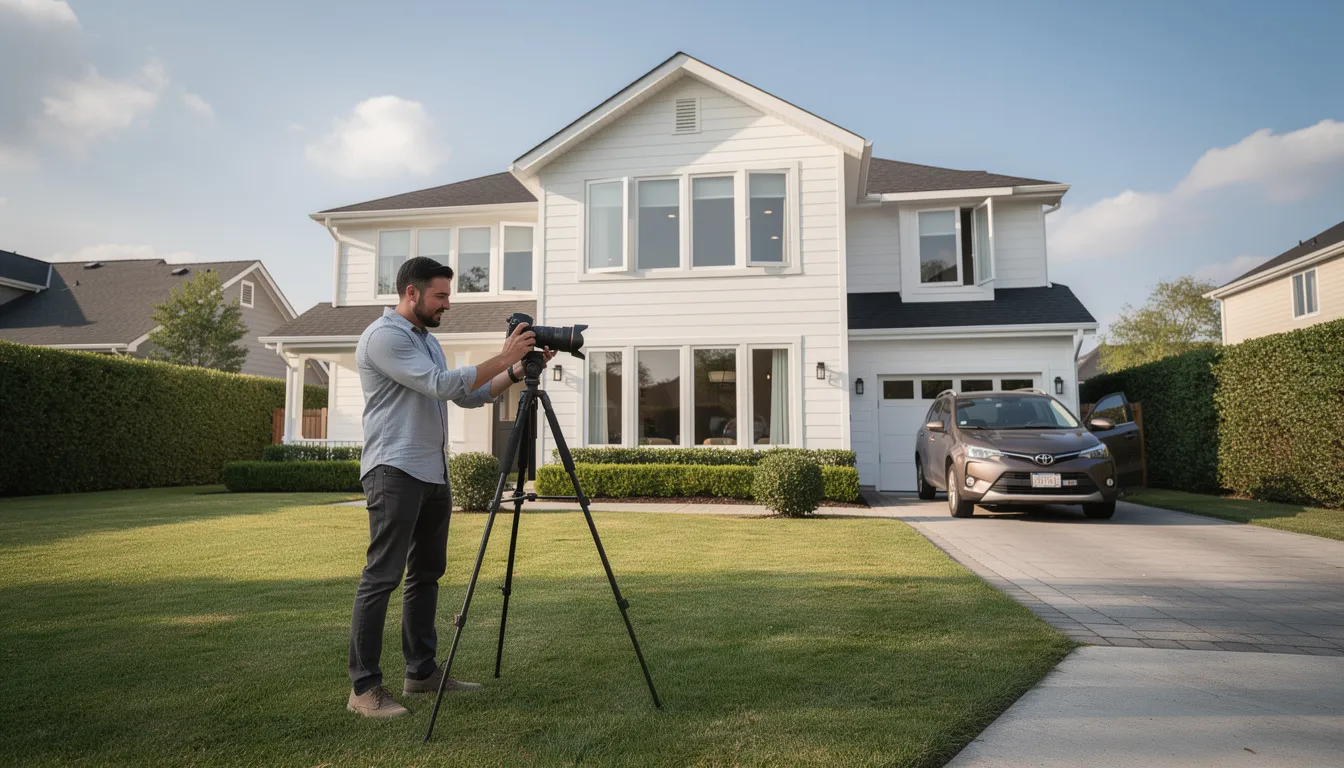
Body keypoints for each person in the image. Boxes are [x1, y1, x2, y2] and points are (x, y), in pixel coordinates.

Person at [346, 256, 554, 719]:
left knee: (426, 576)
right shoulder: (383, 338)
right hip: (394, 470)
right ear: (411, 293)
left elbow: (469, 394)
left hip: (432, 472)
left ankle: (420, 672)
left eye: (447, 296)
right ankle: (363, 690)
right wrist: (504, 355)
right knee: (381, 578)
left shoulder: (427, 342)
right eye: (440, 296)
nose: (446, 305)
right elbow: (442, 385)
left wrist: (517, 371)